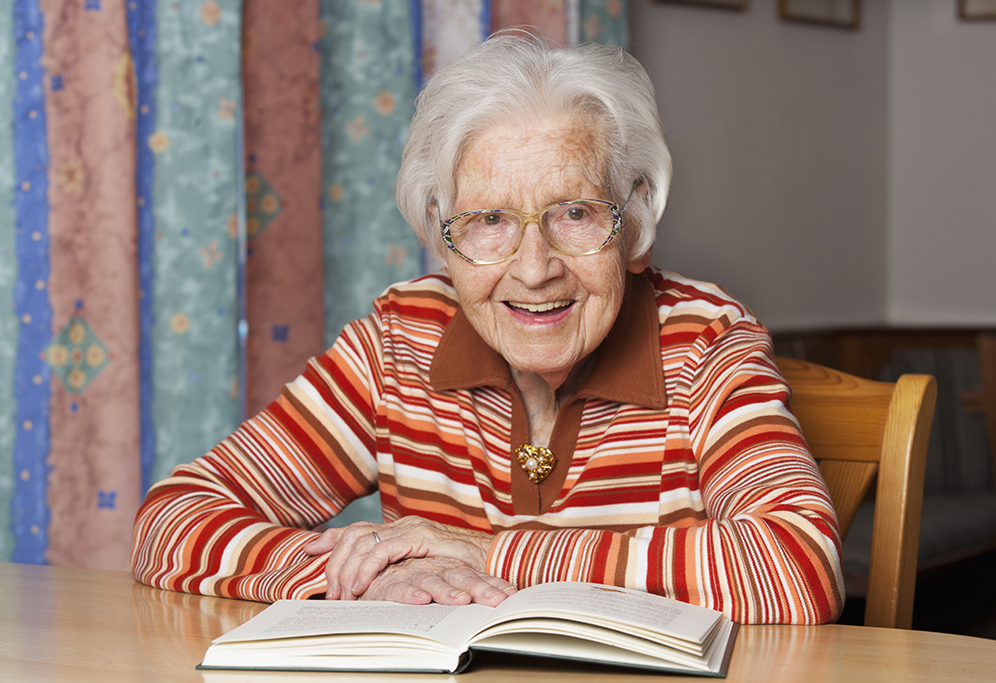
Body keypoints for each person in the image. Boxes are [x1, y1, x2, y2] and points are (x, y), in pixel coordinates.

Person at [131, 33, 844, 624]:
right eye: (489, 221)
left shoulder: (705, 344)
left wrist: (487, 551)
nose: (534, 270)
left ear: (633, 227)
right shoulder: (399, 342)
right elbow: (173, 517)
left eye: (575, 213)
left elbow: (797, 563)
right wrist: (369, 571)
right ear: (442, 238)